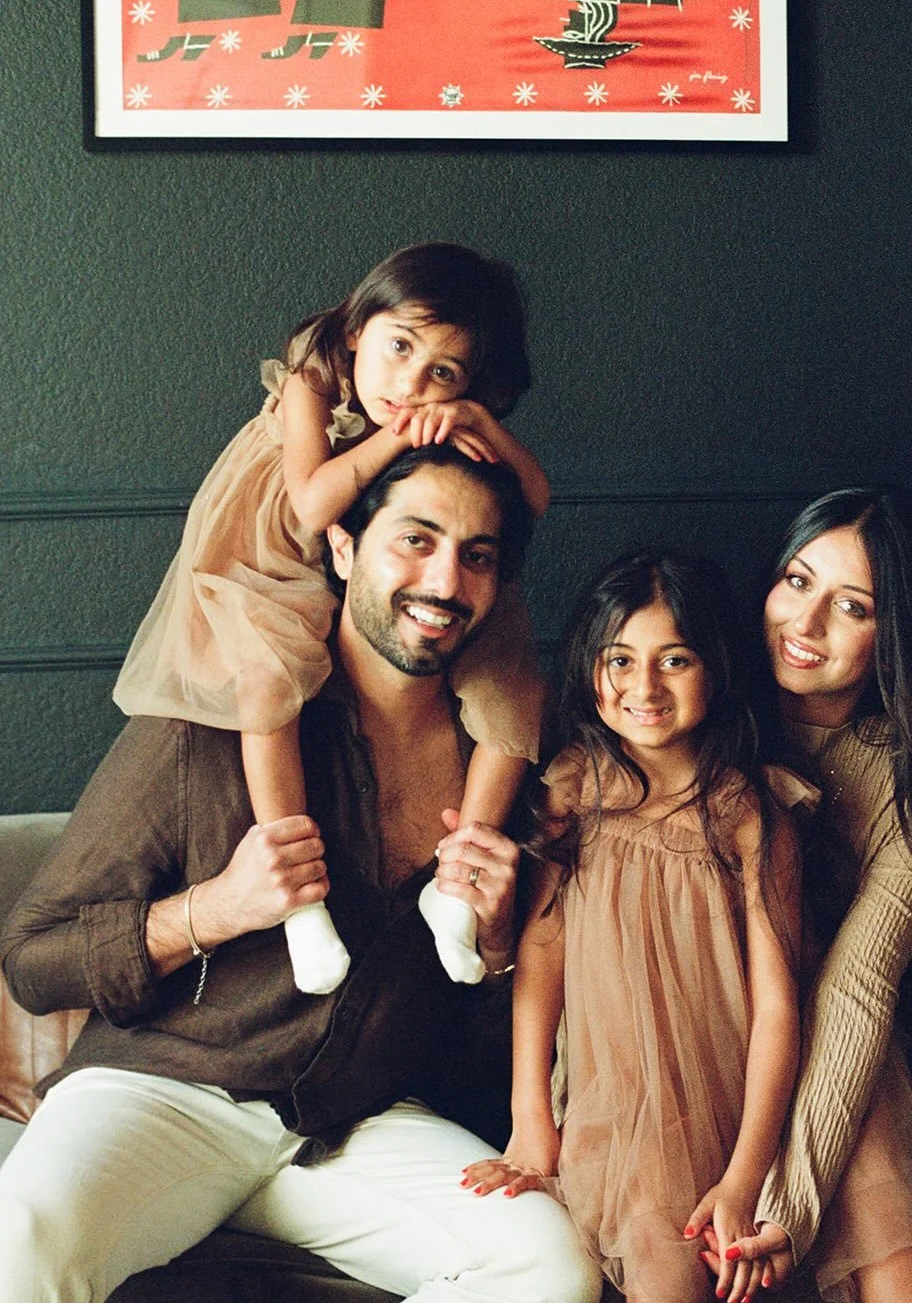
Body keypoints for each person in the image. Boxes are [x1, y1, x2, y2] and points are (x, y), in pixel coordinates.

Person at [0, 445, 600, 1303]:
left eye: (476, 555)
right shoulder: (209, 723)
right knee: (15, 1235)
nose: (443, 580)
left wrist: (501, 948)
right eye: (414, 540)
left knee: (550, 1267)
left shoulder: (506, 768)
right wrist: (212, 910)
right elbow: (32, 959)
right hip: (164, 1094)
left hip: (353, 1123)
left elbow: (474, 1053)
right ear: (345, 548)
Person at [112, 242, 550, 992]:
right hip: (268, 555)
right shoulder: (314, 386)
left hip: (350, 553)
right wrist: (400, 436)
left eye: (442, 373)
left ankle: (457, 886)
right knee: (270, 684)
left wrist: (474, 420)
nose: (410, 384)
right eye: (399, 347)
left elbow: (534, 500)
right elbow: (312, 506)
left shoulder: (442, 419)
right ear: (356, 330)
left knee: (513, 680)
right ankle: (300, 905)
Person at [463, 550, 812, 1303]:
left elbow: (778, 1004)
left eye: (673, 660)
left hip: (724, 1103)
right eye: (618, 659)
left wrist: (746, 1173)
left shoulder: (747, 812)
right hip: (607, 1103)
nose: (642, 687)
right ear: (589, 666)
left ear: (714, 669)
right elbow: (542, 957)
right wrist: (530, 1123)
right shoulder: (571, 788)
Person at [704, 488, 912, 1302]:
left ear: (892, 635)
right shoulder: (687, 711)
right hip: (697, 1008)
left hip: (834, 1027)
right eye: (795, 581)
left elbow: (857, 989)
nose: (806, 622)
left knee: (868, 1097)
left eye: (851, 606)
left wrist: (789, 1207)